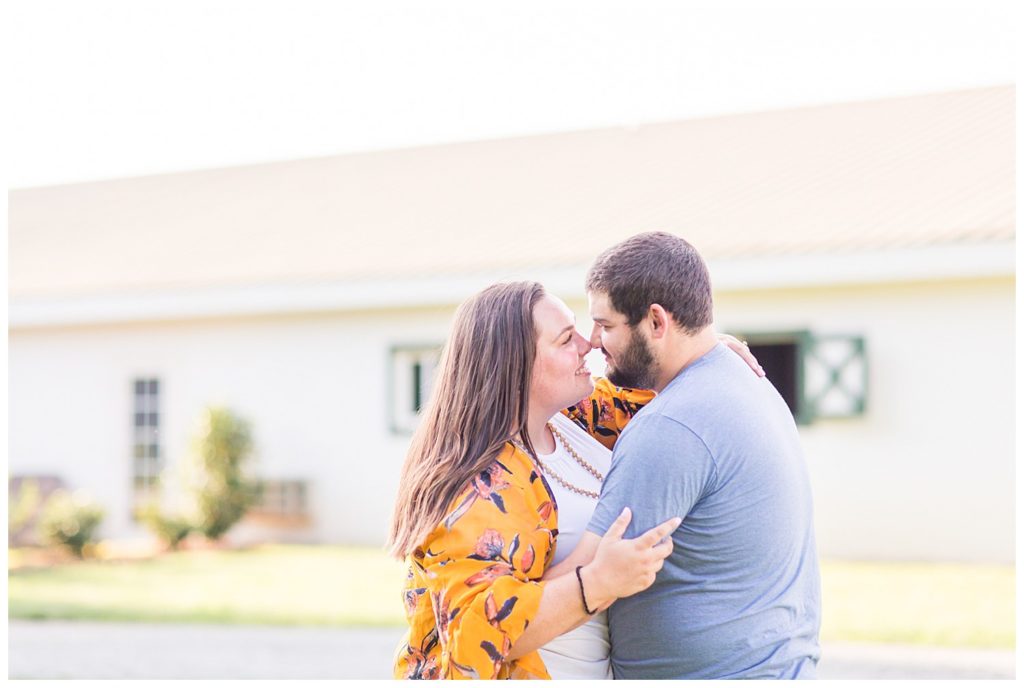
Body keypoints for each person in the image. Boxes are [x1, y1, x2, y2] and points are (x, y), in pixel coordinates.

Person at [552, 232, 822, 679]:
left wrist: (463, 605)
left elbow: (581, 581)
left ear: (656, 322)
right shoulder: (744, 378)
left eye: (606, 324)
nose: (594, 341)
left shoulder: (670, 426)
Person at [386, 282, 681, 680]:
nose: (586, 344)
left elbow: (666, 391)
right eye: (564, 340)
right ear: (517, 365)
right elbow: (475, 631)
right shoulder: (473, 480)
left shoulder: (575, 420)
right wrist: (597, 581)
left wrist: (704, 352)